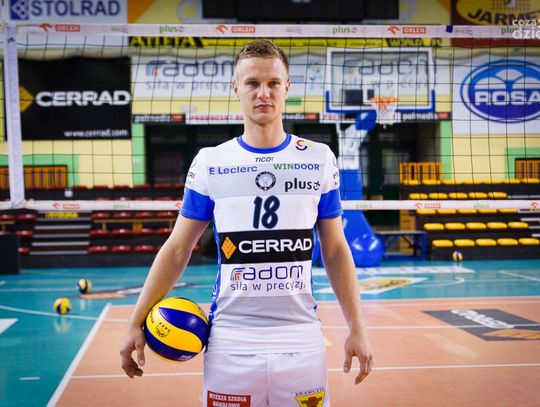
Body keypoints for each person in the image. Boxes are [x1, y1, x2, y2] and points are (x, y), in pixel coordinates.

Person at [120, 39, 373, 407]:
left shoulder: (319, 159)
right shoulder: (210, 162)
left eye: (273, 83)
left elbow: (334, 249)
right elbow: (177, 248)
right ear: (235, 88)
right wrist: (135, 321)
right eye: (253, 83)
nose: (263, 93)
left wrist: (357, 328)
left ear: (287, 87)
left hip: (301, 339)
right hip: (230, 342)